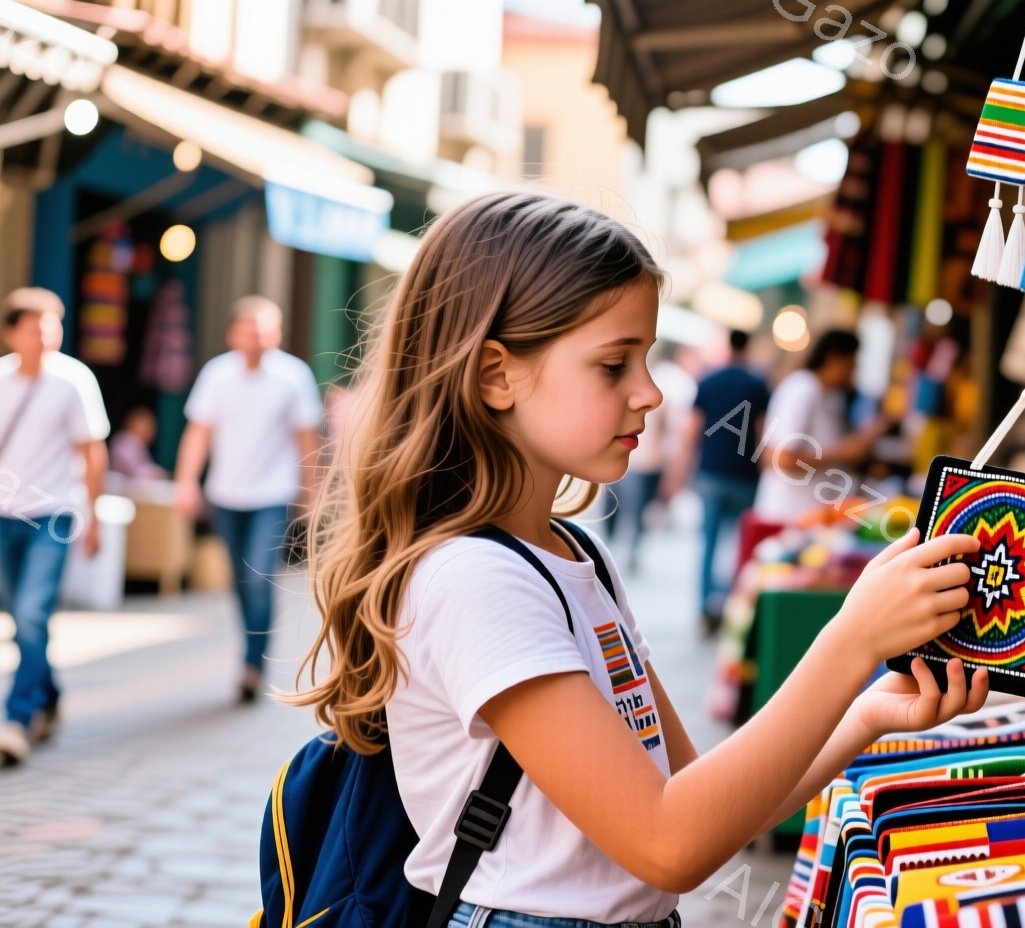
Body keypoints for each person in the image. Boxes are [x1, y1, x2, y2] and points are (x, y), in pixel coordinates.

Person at [288, 192, 987, 927]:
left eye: (646, 359)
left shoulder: (571, 554)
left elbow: (701, 798)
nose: (650, 393)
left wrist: (867, 715)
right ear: (496, 374)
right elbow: (667, 842)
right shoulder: (473, 580)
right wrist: (850, 641)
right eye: (613, 365)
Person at [174, 297, 323, 704]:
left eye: (266, 329)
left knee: (259, 578)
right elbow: (198, 432)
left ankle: (251, 664)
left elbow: (306, 441)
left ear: (277, 333)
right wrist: (186, 480)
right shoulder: (216, 374)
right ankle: (250, 652)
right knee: (241, 582)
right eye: (250, 329)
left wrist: (310, 496)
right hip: (226, 494)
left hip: (272, 495)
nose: (258, 337)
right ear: (234, 332)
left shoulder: (294, 376)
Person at [0, 288, 109, 766]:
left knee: (29, 614)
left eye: (53, 326)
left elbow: (92, 451)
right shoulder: (1, 379)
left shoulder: (74, 380)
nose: (45, 336)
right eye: (34, 326)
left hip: (53, 515)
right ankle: (48, 692)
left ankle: (16, 719)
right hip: (4, 515)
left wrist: (95, 516)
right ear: (11, 332)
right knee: (20, 618)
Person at [670, 329, 770, 631]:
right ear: (748, 347)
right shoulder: (757, 384)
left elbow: (691, 430)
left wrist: (679, 471)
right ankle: (730, 606)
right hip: (745, 476)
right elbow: (761, 433)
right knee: (738, 545)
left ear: (728, 346)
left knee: (709, 542)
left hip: (710, 473)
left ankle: (703, 607)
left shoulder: (708, 381)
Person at [753, 329, 891, 525]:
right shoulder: (802, 389)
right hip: (785, 518)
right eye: (852, 362)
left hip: (812, 519)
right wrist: (842, 453)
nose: (855, 370)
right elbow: (779, 458)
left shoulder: (831, 396)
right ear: (834, 358)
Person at [601, 345, 693, 571]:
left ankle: (620, 551)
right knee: (630, 511)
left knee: (625, 510)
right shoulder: (658, 391)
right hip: (642, 462)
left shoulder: (655, 390)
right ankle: (618, 551)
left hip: (644, 462)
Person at [109, 407, 167, 481]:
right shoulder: (124, 441)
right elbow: (135, 471)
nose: (150, 430)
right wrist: (159, 474)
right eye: (146, 425)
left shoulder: (139, 444)